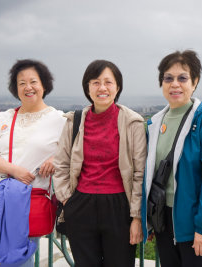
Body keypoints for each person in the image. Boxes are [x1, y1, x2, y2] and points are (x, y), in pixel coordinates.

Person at [141, 50, 202, 267]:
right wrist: (150, 220)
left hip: (195, 223)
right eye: (168, 78)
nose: (175, 84)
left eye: (182, 78)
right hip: (165, 220)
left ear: (195, 82)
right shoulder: (154, 124)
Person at [53, 59, 147, 267]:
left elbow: (140, 173)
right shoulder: (74, 121)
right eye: (95, 82)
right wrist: (68, 200)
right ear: (87, 87)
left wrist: (137, 218)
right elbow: (61, 165)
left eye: (108, 82)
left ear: (118, 87)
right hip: (81, 204)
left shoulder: (133, 123)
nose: (102, 88)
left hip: (119, 206)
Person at [0, 59, 66, 266]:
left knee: (19, 261)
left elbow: (75, 152)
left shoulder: (60, 120)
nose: (28, 87)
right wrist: (13, 170)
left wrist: (58, 158)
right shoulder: (3, 117)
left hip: (27, 205)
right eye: (21, 83)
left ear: (44, 84)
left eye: (33, 81)